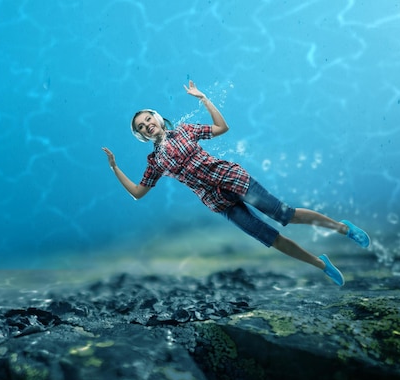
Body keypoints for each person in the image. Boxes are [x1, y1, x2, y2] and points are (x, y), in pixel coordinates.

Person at [101, 81, 370, 286]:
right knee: (271, 238)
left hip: (233, 179)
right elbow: (138, 193)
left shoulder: (184, 130)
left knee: (286, 215)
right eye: (141, 126)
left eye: (148, 118)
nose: (147, 125)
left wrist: (204, 98)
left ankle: (342, 228)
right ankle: (321, 264)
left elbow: (221, 128)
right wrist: (114, 167)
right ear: (141, 136)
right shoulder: (154, 162)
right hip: (219, 203)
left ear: (157, 118)